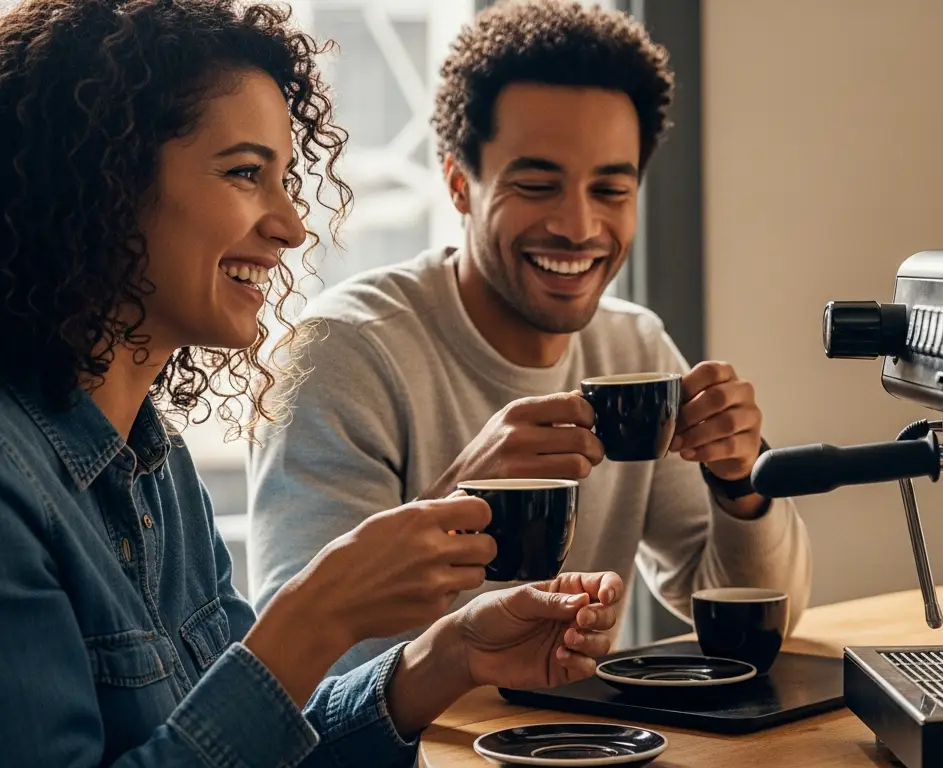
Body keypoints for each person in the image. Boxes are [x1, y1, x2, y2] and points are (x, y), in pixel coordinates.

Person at [0, 2, 623, 766]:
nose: (292, 226)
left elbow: (261, 742)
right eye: (245, 173)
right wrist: (317, 614)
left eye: (285, 179)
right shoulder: (12, 487)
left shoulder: (158, 468)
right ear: (103, 181)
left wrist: (449, 656)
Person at [247, 0, 813, 675]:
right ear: (459, 185)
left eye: (611, 190)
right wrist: (459, 503)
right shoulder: (342, 354)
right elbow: (296, 675)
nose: (579, 227)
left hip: (577, 728)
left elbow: (747, 607)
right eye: (538, 185)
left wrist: (739, 483)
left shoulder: (633, 349)